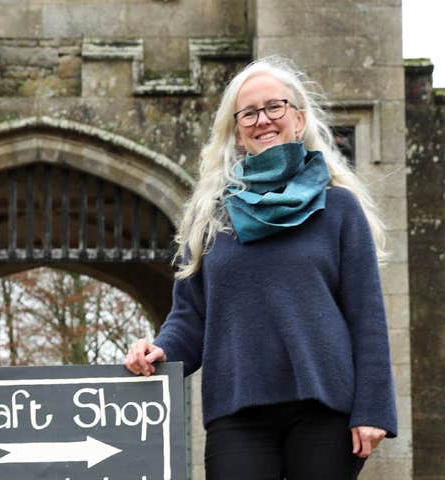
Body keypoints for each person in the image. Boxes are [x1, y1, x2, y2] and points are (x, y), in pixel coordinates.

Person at [124, 57, 397, 480]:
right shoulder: (210, 216)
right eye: (248, 112)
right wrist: (162, 349)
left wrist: (374, 408)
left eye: (275, 107)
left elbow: (367, 316)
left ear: (299, 118)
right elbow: (190, 317)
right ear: (235, 131)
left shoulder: (339, 207)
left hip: (324, 407)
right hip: (238, 411)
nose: (262, 120)